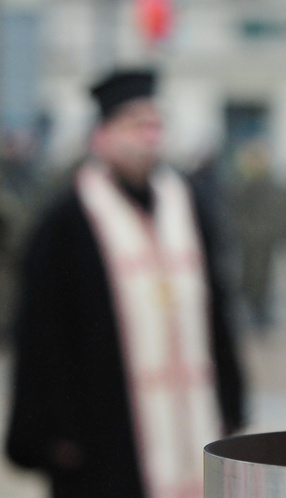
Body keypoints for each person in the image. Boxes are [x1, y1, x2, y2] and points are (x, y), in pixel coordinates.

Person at [4, 69, 246, 497]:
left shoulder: (188, 205)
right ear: (103, 136)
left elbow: (217, 310)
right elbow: (42, 334)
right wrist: (55, 428)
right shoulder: (67, 221)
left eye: (155, 125)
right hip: (101, 427)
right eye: (136, 125)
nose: (148, 137)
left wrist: (230, 397)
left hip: (188, 413)